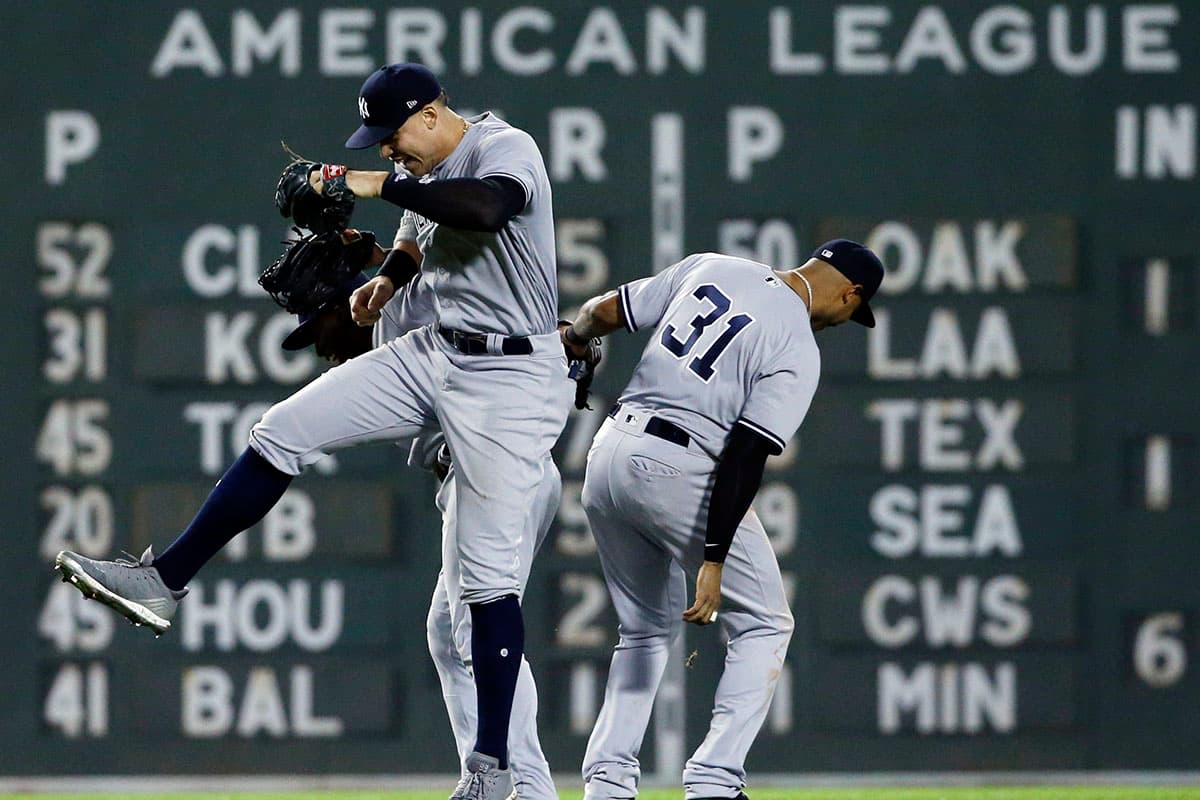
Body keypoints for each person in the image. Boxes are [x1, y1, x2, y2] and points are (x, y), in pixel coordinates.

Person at [55, 62, 568, 800]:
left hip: (510, 378)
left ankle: (493, 772)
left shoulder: (502, 147)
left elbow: (485, 210)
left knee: (484, 589)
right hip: (439, 350)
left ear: (430, 113)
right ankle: (166, 580)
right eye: (381, 149)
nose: (389, 154)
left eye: (391, 140)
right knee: (282, 429)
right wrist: (388, 280)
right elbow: (420, 234)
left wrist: (374, 183)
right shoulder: (423, 170)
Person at [558, 241, 885, 800]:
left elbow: (600, 312)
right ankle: (714, 781)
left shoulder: (714, 267)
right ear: (851, 294)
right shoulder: (797, 346)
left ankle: (607, 785)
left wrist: (574, 341)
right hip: (680, 464)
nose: (843, 321)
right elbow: (744, 454)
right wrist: (713, 558)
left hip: (607, 452)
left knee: (643, 631)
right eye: (853, 312)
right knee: (765, 622)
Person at [279, 248, 560, 800]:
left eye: (322, 321)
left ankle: (524, 788)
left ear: (351, 300)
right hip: (488, 473)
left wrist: (374, 248)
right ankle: (497, 780)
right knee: (446, 633)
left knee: (474, 632)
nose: (319, 343)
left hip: (496, 471)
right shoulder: (395, 345)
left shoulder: (403, 304)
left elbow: (476, 285)